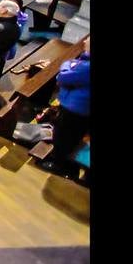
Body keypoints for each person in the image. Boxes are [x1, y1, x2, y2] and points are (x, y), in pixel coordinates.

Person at [41, 35, 90, 176]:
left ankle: (60, 165)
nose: (85, 41)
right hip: (80, 107)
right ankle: (65, 163)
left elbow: (63, 76)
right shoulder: (86, 62)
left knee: (64, 137)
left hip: (76, 108)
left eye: (88, 41)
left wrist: (67, 65)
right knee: (71, 136)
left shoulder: (87, 67)